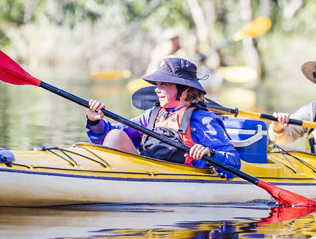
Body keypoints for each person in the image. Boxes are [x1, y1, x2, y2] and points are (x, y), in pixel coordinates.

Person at [86, 57, 241, 178]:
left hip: (179, 182)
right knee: (115, 136)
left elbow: (234, 162)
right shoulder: (153, 115)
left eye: (164, 85)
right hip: (146, 175)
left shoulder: (204, 120)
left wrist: (209, 152)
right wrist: (95, 121)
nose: (156, 90)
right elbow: (111, 134)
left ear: (185, 90)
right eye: (157, 85)